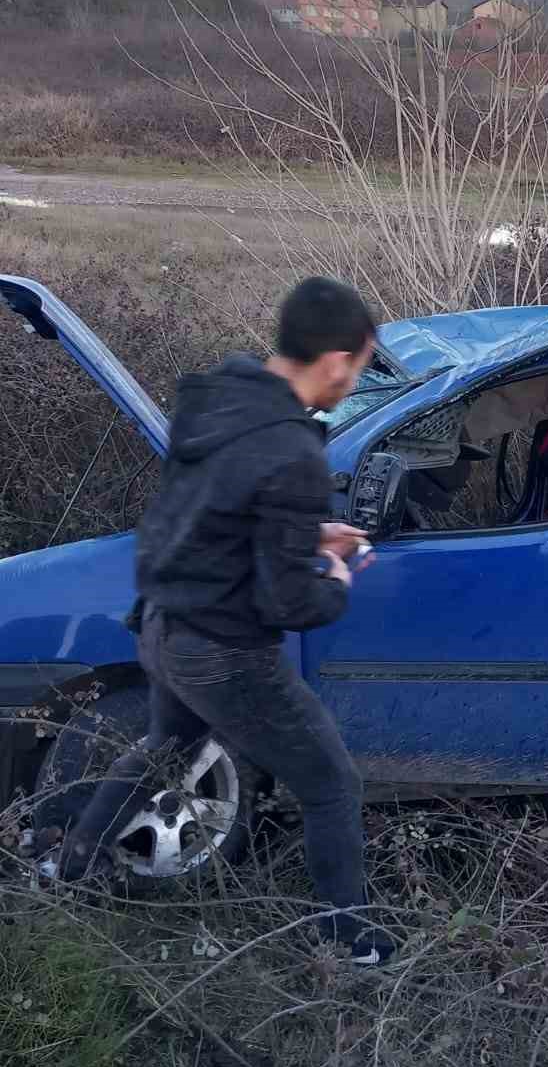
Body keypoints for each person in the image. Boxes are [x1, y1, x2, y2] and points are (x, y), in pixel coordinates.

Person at [52, 276, 393, 964]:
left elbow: (218, 516)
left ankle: (71, 867)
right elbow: (289, 605)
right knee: (331, 784)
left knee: (165, 747)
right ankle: (348, 940)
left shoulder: (221, 398)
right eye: (358, 369)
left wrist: (301, 535)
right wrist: (334, 571)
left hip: (160, 623)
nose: (354, 384)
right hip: (224, 651)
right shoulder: (294, 453)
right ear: (334, 361)